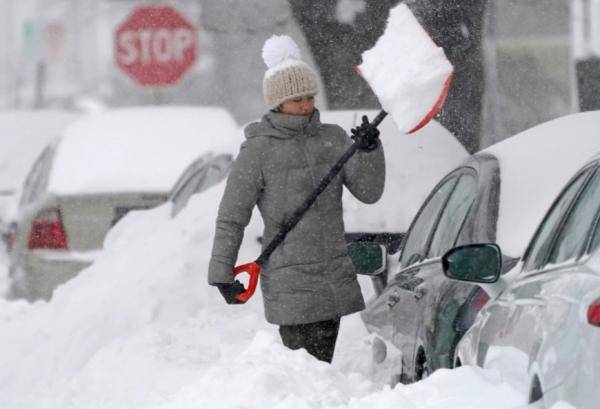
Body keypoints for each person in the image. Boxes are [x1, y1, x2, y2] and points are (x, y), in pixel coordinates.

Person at [208, 35, 385, 363]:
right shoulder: (258, 150)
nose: (305, 105)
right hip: (290, 280)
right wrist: (221, 272)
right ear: (277, 103)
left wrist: (370, 151)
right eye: (296, 99)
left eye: (308, 96)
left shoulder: (332, 138)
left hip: (332, 274)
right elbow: (232, 215)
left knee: (320, 369)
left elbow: (369, 192)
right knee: (305, 369)